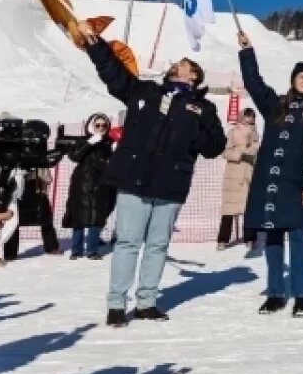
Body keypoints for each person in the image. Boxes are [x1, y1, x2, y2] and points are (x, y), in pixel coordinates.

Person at [77, 20, 226, 327]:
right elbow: (113, 74)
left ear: (194, 76)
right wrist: (94, 44)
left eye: (184, 64)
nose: (177, 65)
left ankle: (147, 302)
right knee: (128, 242)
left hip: (171, 184)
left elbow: (215, 146)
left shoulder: (203, 108)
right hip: (134, 178)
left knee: (157, 245)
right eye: (176, 64)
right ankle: (116, 304)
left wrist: (195, 129)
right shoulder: (144, 90)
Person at [238, 32, 303, 318]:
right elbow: (253, 84)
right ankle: (276, 293)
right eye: (301, 76)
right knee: (273, 238)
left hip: (296, 184)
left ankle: (302, 295)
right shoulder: (275, 105)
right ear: (292, 80)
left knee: (299, 236)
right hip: (268, 182)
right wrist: (247, 51)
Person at [62, 113, 117, 260]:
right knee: (78, 217)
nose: (101, 128)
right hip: (82, 183)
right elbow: (74, 157)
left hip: (101, 183)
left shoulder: (108, 142)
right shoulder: (82, 141)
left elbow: (112, 160)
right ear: (91, 126)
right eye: (97, 125)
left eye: (104, 125)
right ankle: (76, 250)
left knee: (96, 217)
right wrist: (90, 142)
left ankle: (92, 250)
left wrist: (115, 150)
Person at [218, 108, 259, 251]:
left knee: (250, 208)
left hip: (249, 174)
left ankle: (250, 238)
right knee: (229, 208)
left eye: (251, 117)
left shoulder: (255, 133)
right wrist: (241, 155)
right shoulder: (233, 132)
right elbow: (225, 151)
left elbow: (256, 150)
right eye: (246, 117)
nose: (249, 120)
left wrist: (253, 157)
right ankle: (223, 239)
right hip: (234, 175)